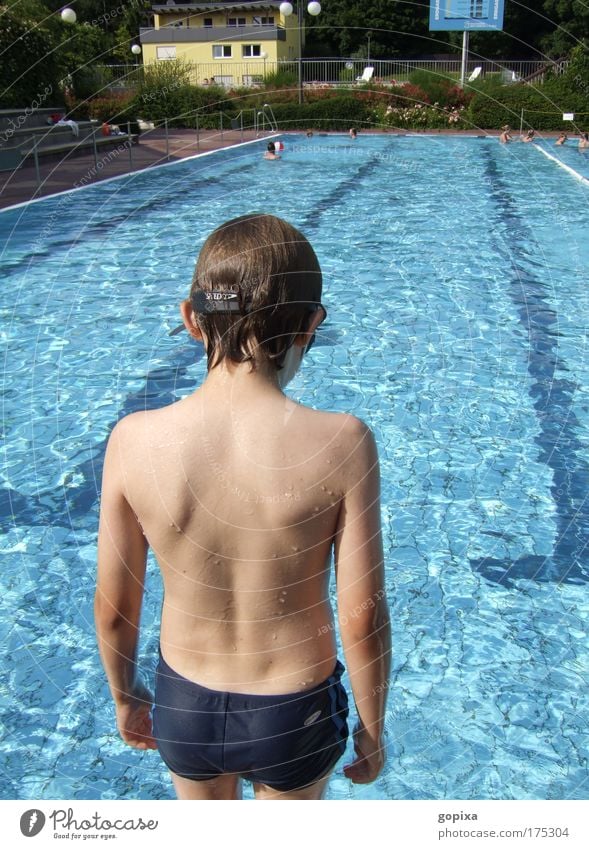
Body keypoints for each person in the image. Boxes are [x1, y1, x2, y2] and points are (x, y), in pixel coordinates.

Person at [95, 214, 391, 801]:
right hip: (296, 705)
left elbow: (113, 606)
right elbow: (362, 615)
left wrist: (126, 696)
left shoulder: (133, 440)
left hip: (185, 700)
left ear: (190, 320)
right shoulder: (344, 442)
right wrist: (373, 726)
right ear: (311, 325)